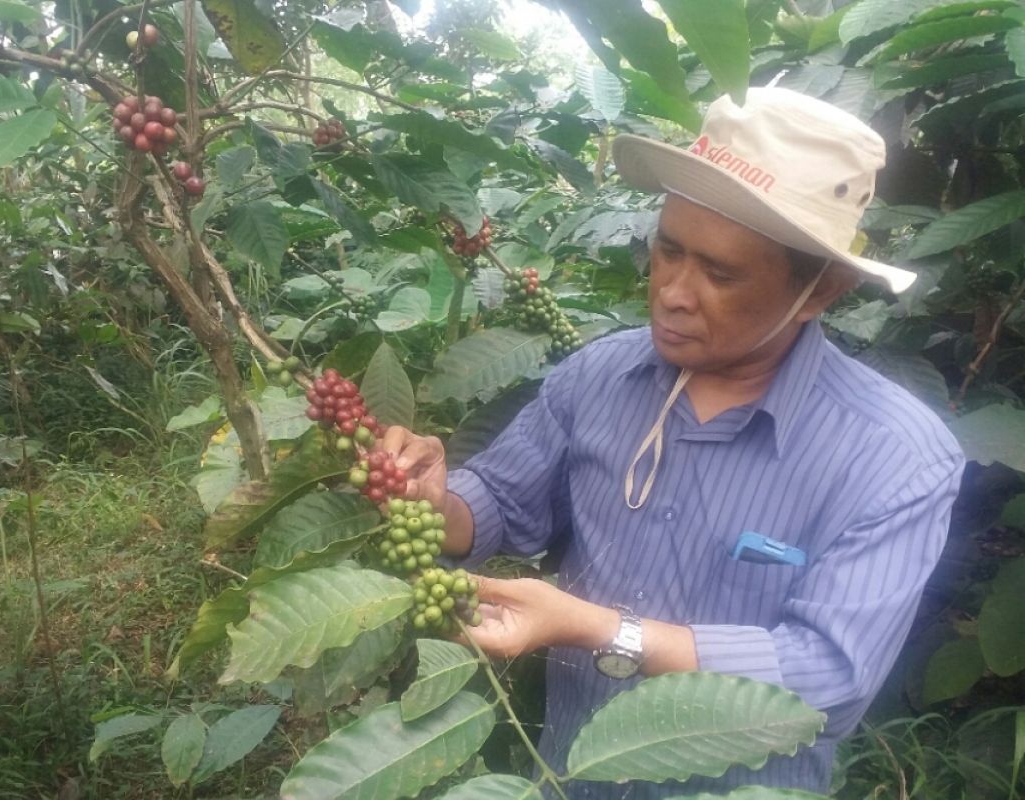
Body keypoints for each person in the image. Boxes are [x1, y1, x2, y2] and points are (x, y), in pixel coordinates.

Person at [380, 87, 965, 798]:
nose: (674, 293)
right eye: (669, 250)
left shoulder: (896, 457)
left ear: (821, 292)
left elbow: (828, 678)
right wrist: (432, 499)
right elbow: (499, 498)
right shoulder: (600, 374)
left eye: (719, 273)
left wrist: (601, 630)